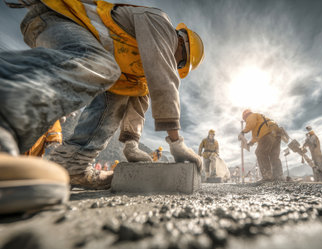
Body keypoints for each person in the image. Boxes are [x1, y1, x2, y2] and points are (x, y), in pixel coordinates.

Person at [0, 0, 204, 197]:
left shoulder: (135, 67)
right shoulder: (159, 21)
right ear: (181, 42)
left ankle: (73, 164)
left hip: (82, 39)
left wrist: (131, 143)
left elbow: (140, 99)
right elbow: (163, 79)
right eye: (179, 63)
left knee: (117, 94)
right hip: (60, 18)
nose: (175, 65)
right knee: (100, 64)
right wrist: (177, 142)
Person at [239, 109, 283, 182]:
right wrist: (251, 143)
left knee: (260, 153)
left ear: (245, 116)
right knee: (274, 156)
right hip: (276, 134)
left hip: (267, 134)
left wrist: (243, 131)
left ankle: (267, 176)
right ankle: (278, 177)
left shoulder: (251, 116)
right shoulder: (260, 118)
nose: (246, 121)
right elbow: (256, 135)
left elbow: (251, 124)